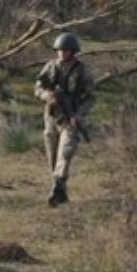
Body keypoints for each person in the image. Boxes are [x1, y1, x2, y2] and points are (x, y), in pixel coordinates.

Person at [34, 32, 95, 207]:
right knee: (53, 156)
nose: (62, 53)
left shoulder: (82, 70)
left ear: (73, 51)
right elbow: (38, 86)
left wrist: (79, 114)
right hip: (52, 116)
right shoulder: (50, 67)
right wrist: (46, 95)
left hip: (70, 118)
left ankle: (56, 188)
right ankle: (61, 191)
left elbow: (91, 97)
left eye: (66, 50)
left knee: (65, 154)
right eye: (60, 50)